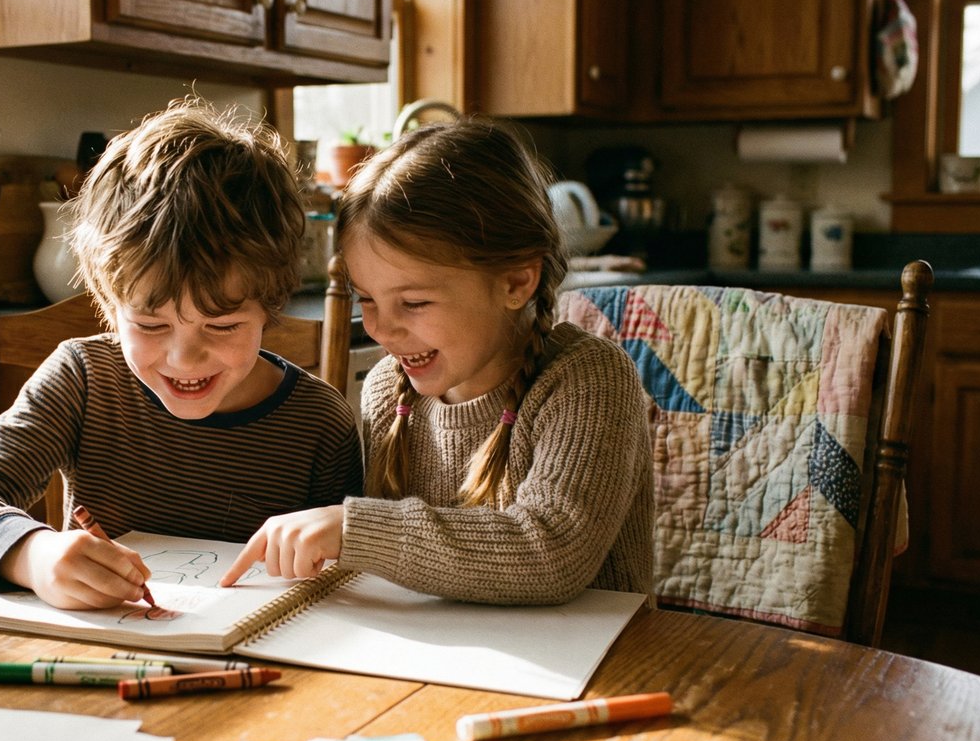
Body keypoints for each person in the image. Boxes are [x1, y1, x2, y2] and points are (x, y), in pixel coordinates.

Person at [0, 99, 362, 609]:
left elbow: (347, 581)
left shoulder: (320, 424)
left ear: (270, 305)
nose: (185, 357)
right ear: (109, 305)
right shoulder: (84, 380)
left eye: (221, 325)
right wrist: (33, 555)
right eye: (151, 324)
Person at [219, 117, 654, 604]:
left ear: (516, 282)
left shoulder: (587, 378)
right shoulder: (390, 389)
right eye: (367, 300)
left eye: (415, 303)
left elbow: (551, 553)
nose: (382, 329)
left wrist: (355, 529)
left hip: (602, 666)